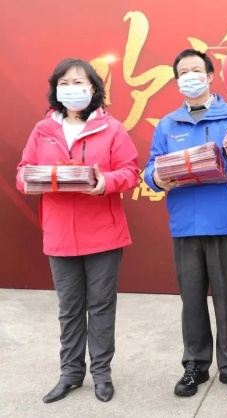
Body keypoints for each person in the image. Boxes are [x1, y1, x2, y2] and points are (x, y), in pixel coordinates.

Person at [16, 58, 140, 403]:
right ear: (56, 89)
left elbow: (130, 172)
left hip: (103, 233)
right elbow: (23, 171)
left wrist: (104, 182)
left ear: (93, 88)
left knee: (100, 307)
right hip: (59, 233)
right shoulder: (43, 130)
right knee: (69, 308)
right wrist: (32, 180)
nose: (72, 89)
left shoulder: (112, 128)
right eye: (65, 83)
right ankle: (70, 374)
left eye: (79, 82)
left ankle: (102, 374)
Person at [145, 49, 227, 398]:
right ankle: (195, 364)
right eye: (183, 72)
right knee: (191, 300)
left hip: (225, 222)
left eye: (197, 70)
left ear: (210, 76)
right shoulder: (168, 124)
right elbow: (151, 169)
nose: (190, 77)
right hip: (185, 224)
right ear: (177, 80)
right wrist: (157, 178)